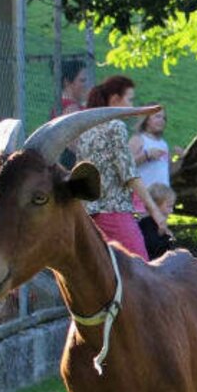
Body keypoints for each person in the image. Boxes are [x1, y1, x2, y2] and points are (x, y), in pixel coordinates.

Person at [76, 75, 168, 261]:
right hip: (115, 214)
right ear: (115, 100)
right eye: (130, 99)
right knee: (141, 268)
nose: (132, 105)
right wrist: (155, 211)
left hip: (89, 216)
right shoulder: (116, 126)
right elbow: (129, 174)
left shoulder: (86, 129)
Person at [129, 108, 184, 192]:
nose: (162, 121)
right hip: (143, 197)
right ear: (146, 119)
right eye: (157, 116)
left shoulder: (163, 144)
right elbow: (125, 166)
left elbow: (169, 172)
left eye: (164, 118)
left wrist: (180, 158)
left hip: (161, 198)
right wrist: (146, 155)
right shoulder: (138, 139)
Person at [139, 182, 177, 260]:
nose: (171, 210)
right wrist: (167, 237)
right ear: (155, 205)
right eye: (169, 206)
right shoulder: (147, 224)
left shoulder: (160, 224)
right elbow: (153, 248)